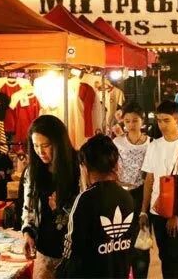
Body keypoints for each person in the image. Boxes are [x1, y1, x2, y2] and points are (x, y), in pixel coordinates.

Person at [59, 135, 135, 278]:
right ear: (115, 165)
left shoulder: (85, 199)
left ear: (85, 167)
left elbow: (72, 250)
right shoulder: (127, 197)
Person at [21, 115, 80, 279]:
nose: (40, 151)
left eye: (45, 145)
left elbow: (87, 211)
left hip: (75, 253)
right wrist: (28, 233)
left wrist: (61, 208)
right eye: (35, 146)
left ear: (59, 143)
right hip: (45, 250)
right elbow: (28, 208)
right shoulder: (32, 171)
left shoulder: (79, 168)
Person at [140, 100, 178, 278]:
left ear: (177, 120)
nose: (162, 125)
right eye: (159, 121)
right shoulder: (154, 145)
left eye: (166, 120)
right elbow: (149, 179)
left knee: (174, 256)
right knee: (164, 255)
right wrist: (144, 210)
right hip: (156, 209)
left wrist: (177, 214)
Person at [113, 102, 152, 278]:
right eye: (127, 121)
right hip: (121, 193)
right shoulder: (117, 142)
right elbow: (112, 166)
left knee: (141, 238)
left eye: (135, 120)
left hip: (142, 192)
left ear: (142, 121)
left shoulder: (150, 143)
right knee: (121, 237)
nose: (131, 124)